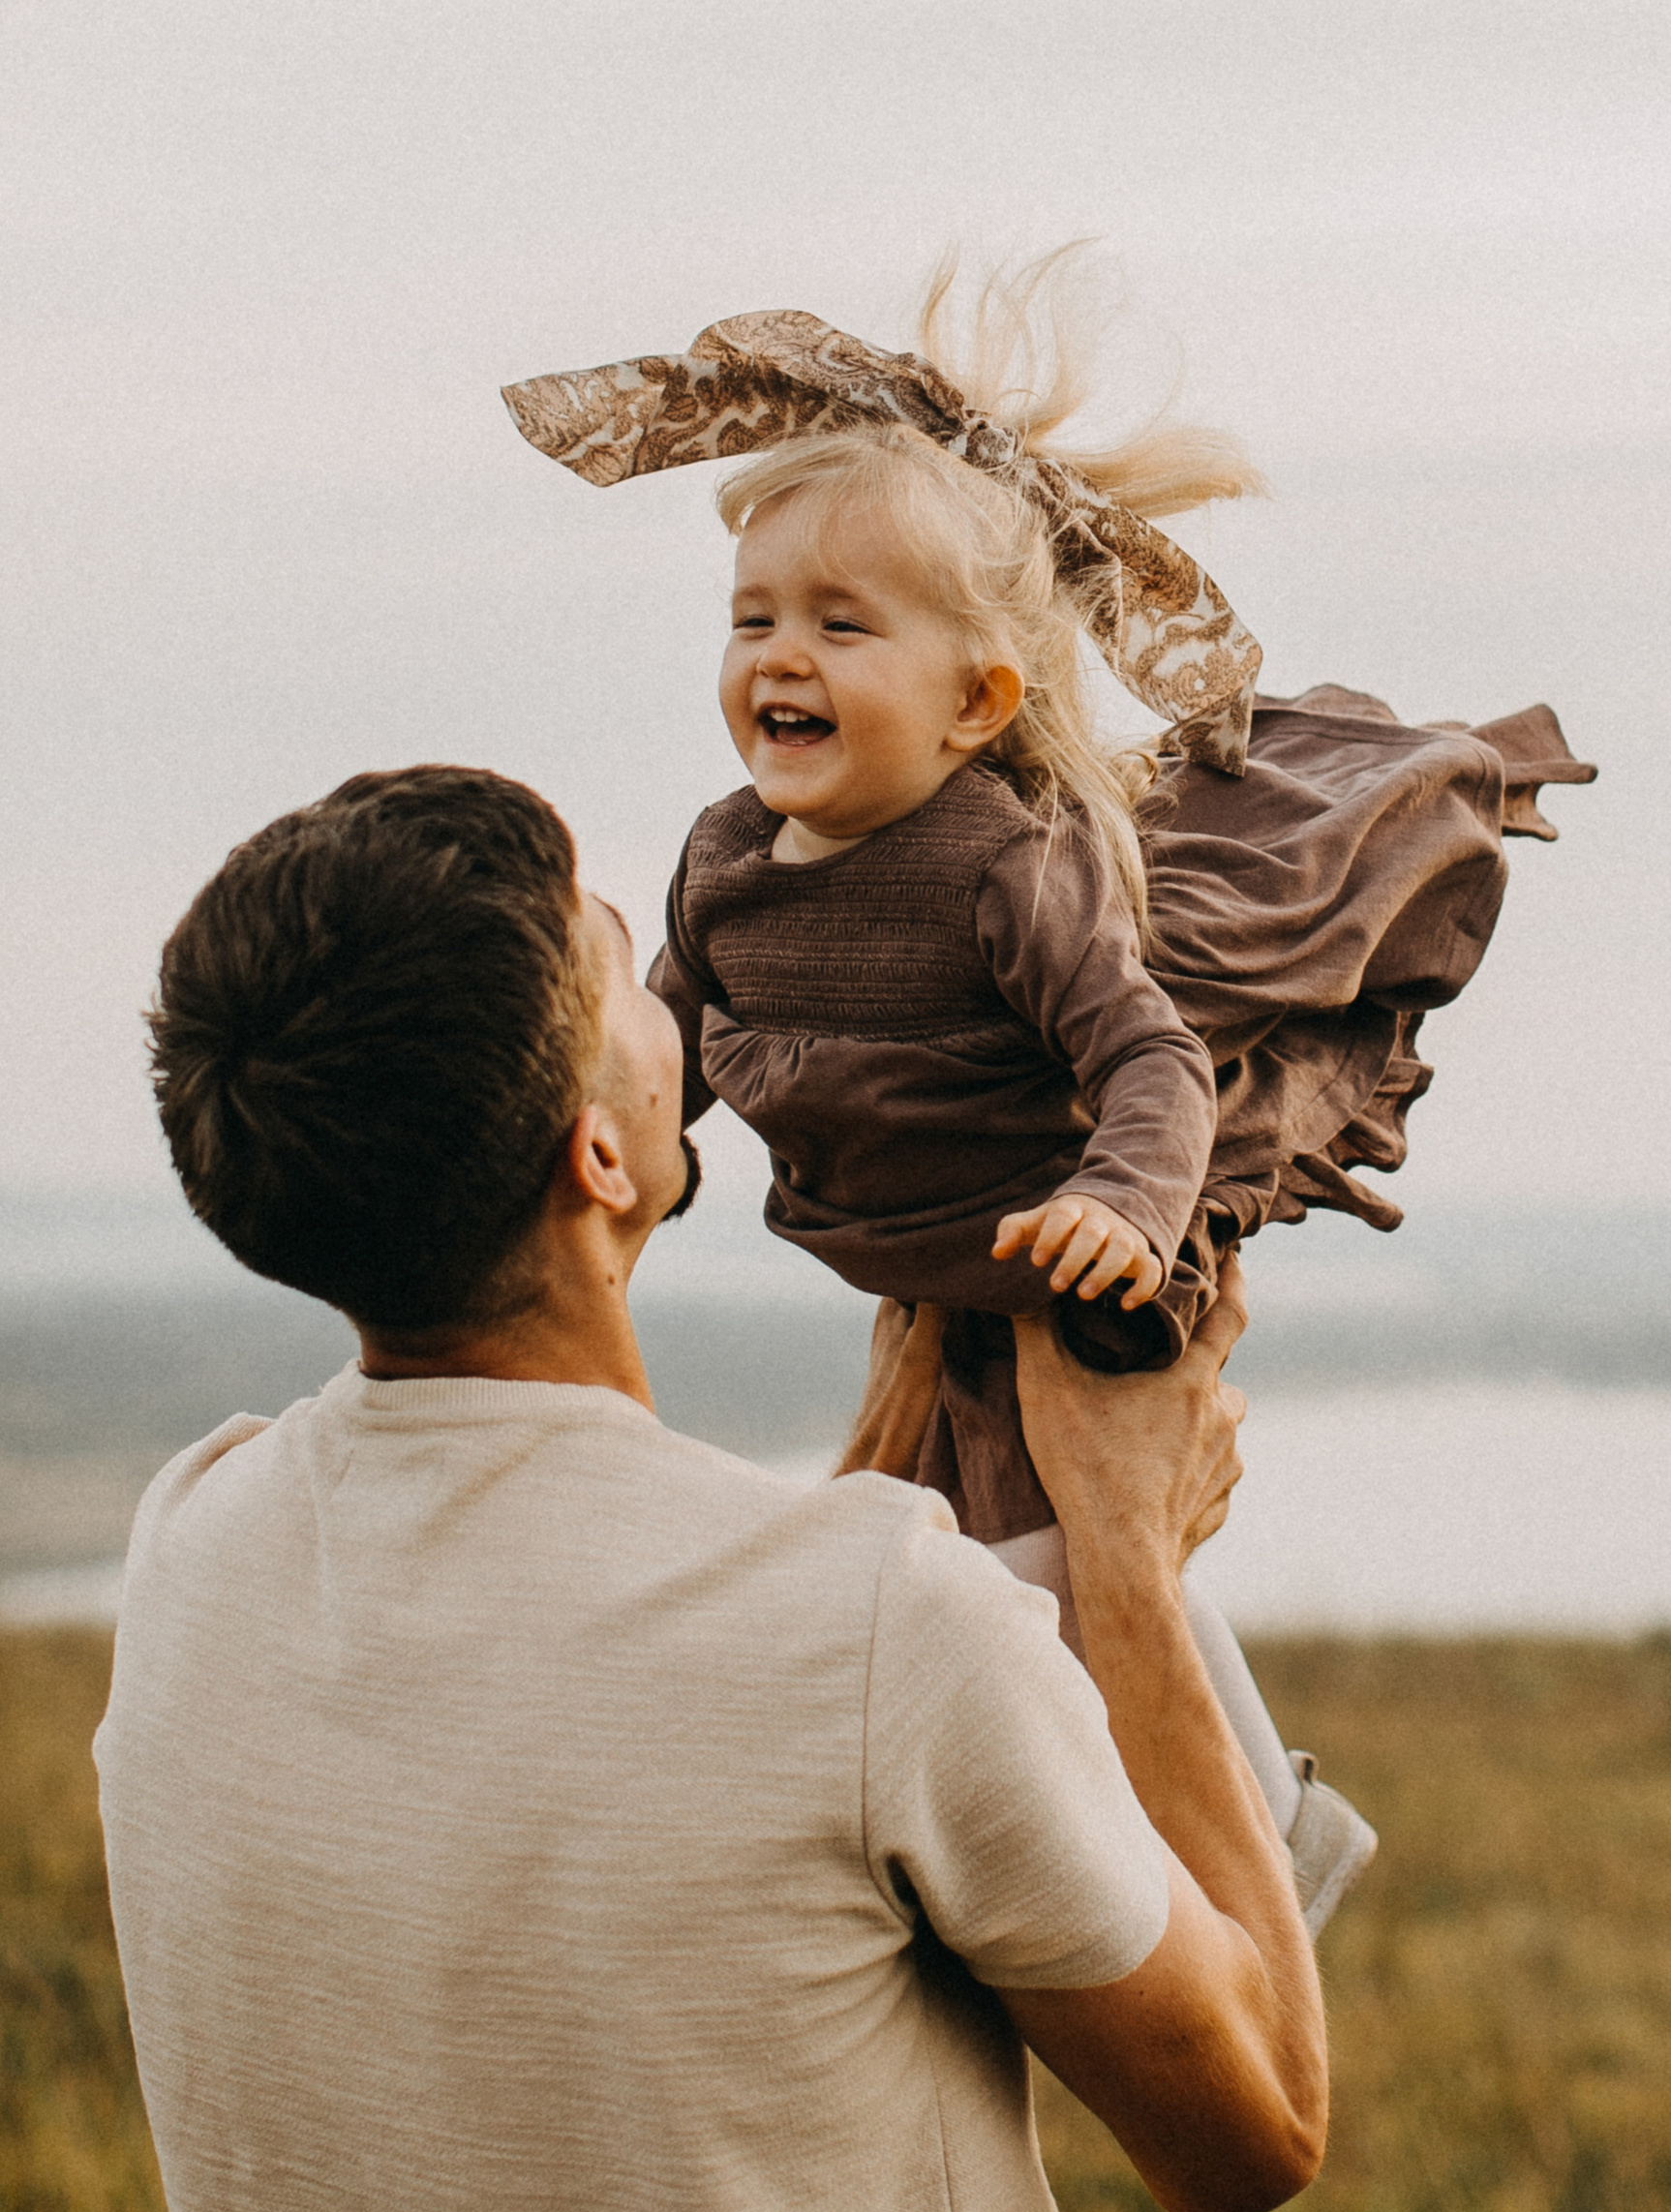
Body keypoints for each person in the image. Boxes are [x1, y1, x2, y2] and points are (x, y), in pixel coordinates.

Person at [501, 252, 1595, 1924]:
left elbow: (1144, 1054)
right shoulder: (726, 855)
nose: (779, 657)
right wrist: (626, 1159)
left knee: (1064, 1554)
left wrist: (1124, 1206)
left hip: (1060, 1226)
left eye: (839, 627)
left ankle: (1248, 1847)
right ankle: (1011, 1856)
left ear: (977, 703)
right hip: (915, 1244)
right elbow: (672, 1024)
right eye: (753, 619)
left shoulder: (1005, 871)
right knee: (948, 1555)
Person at [100, 764, 1326, 2212]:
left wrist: (887, 1464)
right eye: (620, 957)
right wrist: (1129, 1552)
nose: (674, 989)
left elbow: (651, 1728)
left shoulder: (190, 1548)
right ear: (598, 1156)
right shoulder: (888, 1634)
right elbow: (1250, 2130)